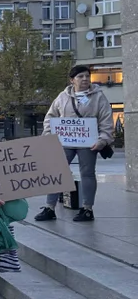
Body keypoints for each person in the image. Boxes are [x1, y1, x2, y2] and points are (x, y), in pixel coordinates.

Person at [37, 65, 114, 223]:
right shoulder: (62, 97)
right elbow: (50, 117)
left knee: (87, 174)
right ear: (72, 80)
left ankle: (87, 209)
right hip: (65, 141)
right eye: (80, 76)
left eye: (87, 76)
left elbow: (106, 119)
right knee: (56, 172)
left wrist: (103, 139)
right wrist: (49, 136)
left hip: (89, 143)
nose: (85, 79)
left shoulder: (99, 97)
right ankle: (49, 208)